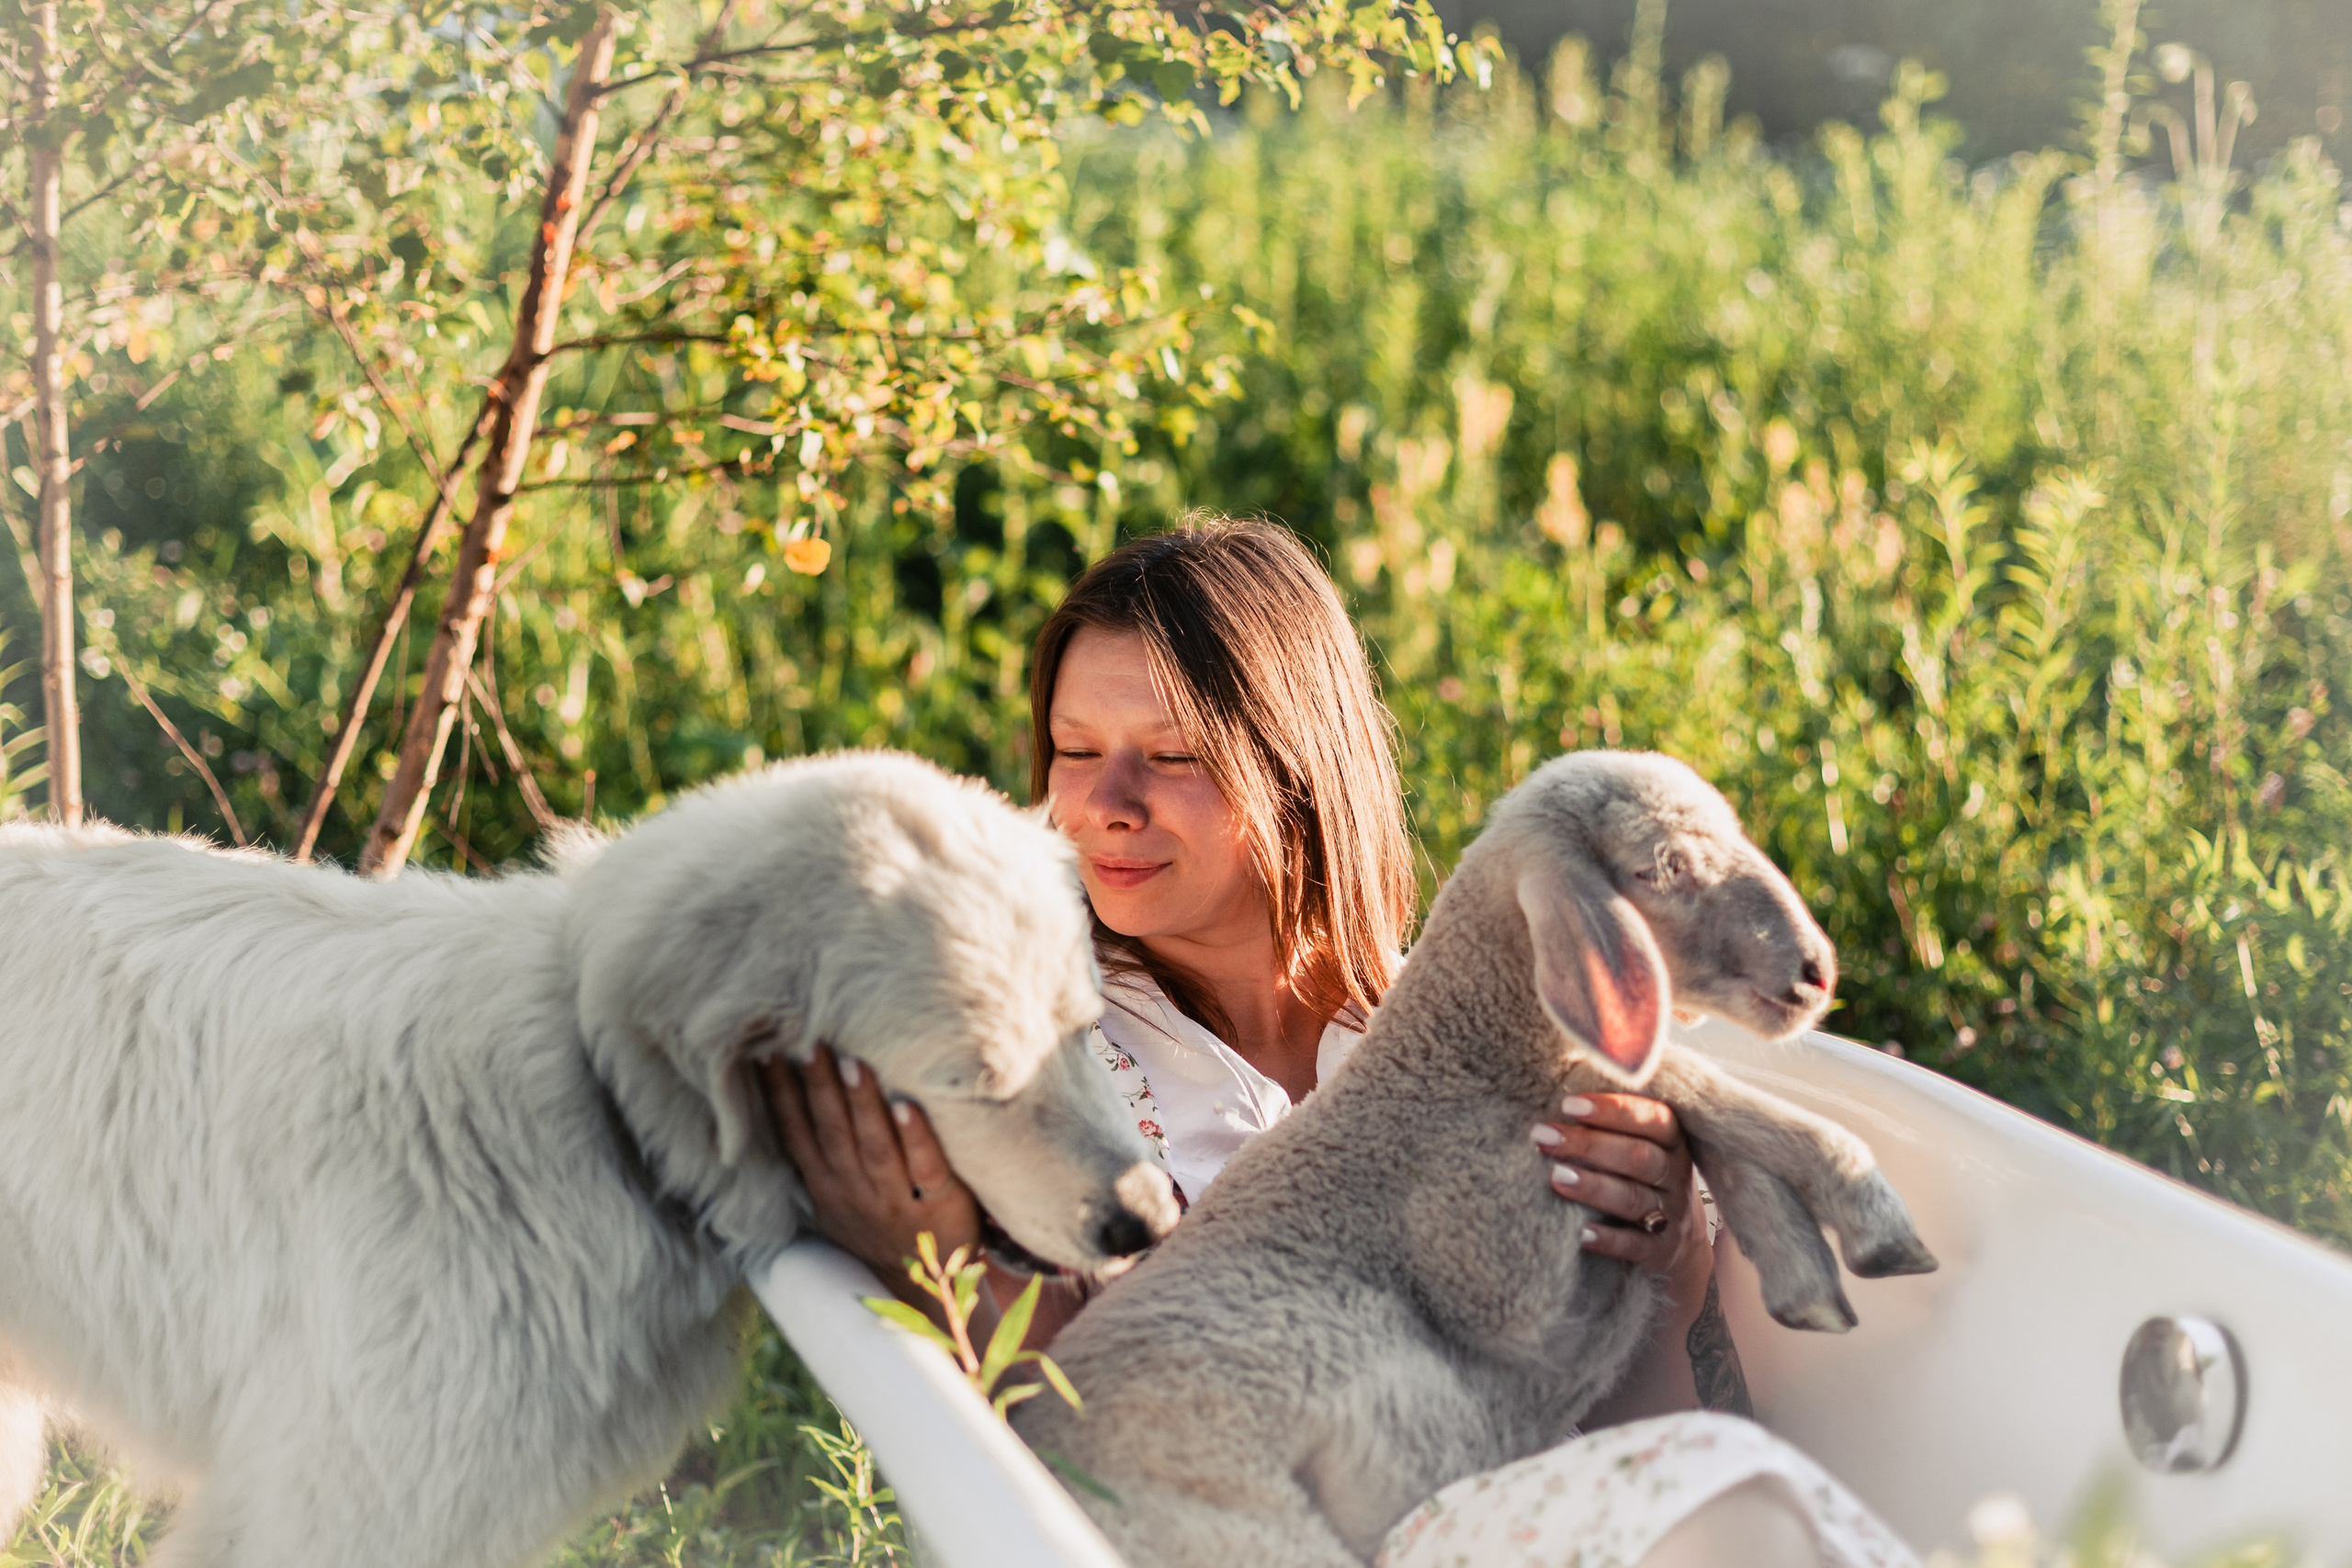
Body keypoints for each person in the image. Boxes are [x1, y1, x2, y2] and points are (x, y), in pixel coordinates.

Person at [763, 518, 1916, 1568]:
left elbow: (1656, 1442)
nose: (1106, 802)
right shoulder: (1027, 1068)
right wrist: (932, 1264)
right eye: (1074, 749)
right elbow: (1059, 1483)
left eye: (1170, 757)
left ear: (1294, 766)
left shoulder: (1490, 1041)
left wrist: (1660, 1255)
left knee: (1729, 1491)